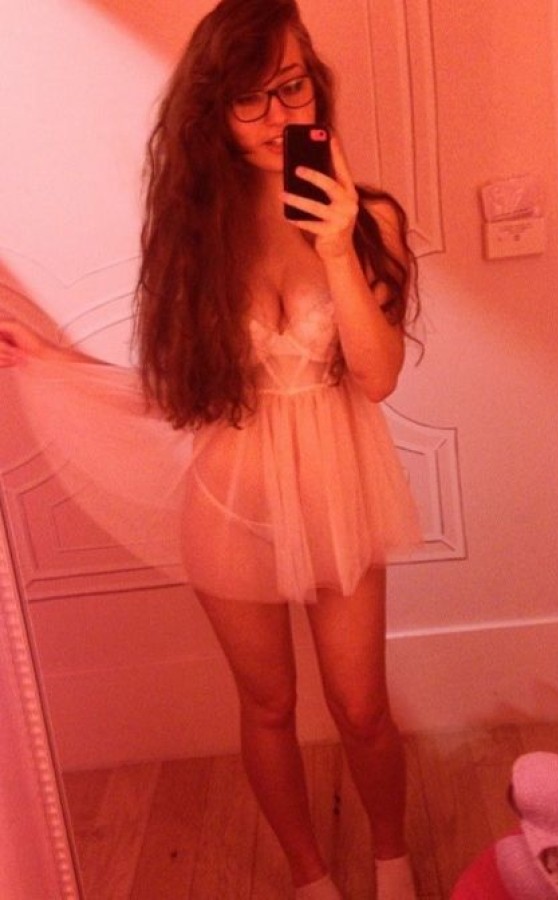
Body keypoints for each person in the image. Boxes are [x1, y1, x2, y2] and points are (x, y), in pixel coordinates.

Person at [0, 1, 422, 896]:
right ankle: (309, 875)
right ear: (214, 112)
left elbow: (378, 375)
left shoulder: (369, 219)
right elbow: (182, 395)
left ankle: (393, 860)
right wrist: (57, 362)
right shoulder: (196, 238)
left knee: (362, 708)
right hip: (231, 502)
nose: (276, 115)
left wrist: (337, 248)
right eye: (247, 98)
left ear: (315, 82)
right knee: (268, 706)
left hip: (340, 494)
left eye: (290, 86)